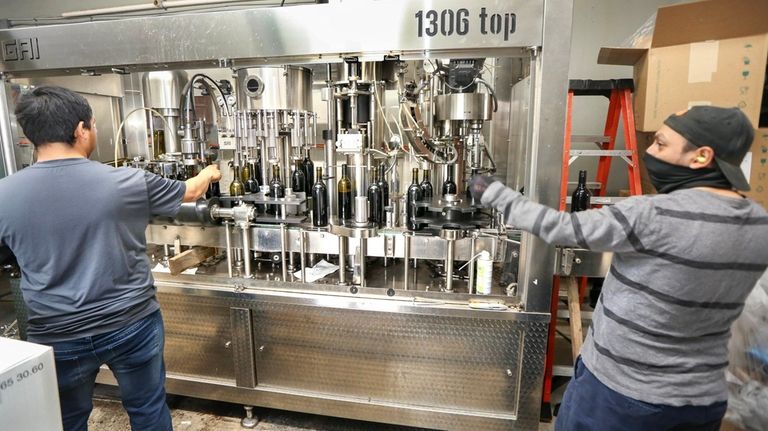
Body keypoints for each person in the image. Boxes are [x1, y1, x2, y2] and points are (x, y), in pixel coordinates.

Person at [470, 106, 768, 431]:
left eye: (661, 144)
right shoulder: (759, 223)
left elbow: (559, 228)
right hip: (702, 401)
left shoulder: (652, 214)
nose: (650, 152)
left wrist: (492, 192)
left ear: (701, 156)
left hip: (621, 395)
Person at [0, 86, 221, 431]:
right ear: (80, 129)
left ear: (29, 136)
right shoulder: (128, 181)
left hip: (57, 332)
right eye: (92, 125)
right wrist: (210, 173)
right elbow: (191, 192)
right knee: (148, 410)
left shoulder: (4, 195)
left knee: (67, 420)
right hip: (132, 323)